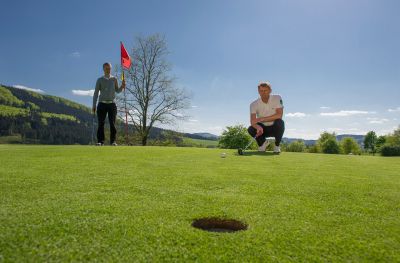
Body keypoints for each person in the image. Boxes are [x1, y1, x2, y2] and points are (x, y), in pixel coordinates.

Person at [92, 62, 125, 146]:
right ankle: (100, 141)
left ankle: (113, 141)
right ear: (103, 69)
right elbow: (96, 93)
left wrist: (122, 86)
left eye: (109, 68)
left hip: (112, 104)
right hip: (101, 104)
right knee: (101, 123)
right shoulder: (99, 80)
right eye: (106, 68)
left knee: (112, 124)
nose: (108, 70)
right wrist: (94, 105)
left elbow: (117, 90)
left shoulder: (114, 79)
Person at [248, 81, 285, 154]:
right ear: (258, 91)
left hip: (275, 128)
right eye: (261, 91)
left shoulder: (277, 98)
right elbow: (252, 121)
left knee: (280, 122)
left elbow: (279, 115)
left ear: (270, 90)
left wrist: (262, 119)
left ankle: (277, 146)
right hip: (262, 130)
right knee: (251, 129)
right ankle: (263, 143)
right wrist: (257, 127)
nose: (263, 92)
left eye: (265, 90)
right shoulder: (253, 104)